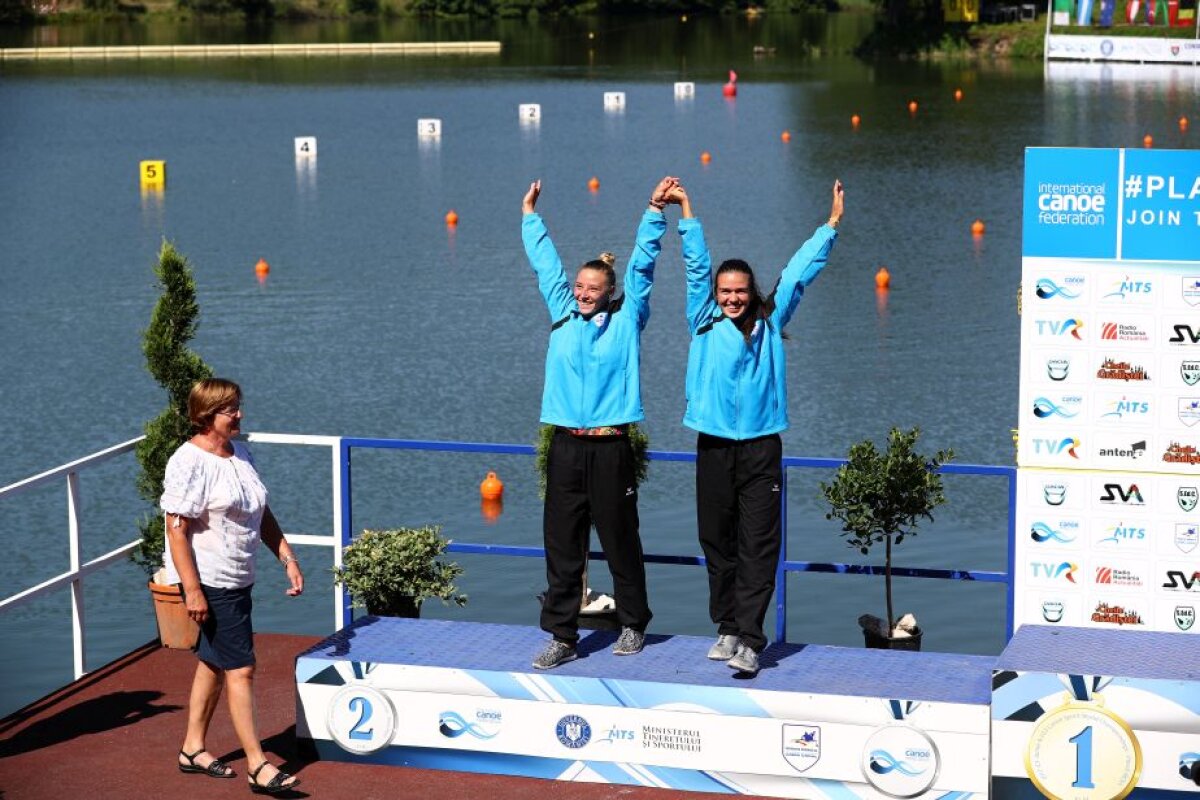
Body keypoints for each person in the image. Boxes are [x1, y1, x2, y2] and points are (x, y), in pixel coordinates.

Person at [670, 179, 844, 675]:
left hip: (761, 448)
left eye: (740, 291)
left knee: (759, 546)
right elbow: (696, 266)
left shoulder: (770, 319)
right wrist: (686, 210)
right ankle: (727, 626)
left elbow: (800, 271)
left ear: (752, 292)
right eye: (725, 291)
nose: (732, 298)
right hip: (713, 446)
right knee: (716, 541)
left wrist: (830, 225)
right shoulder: (703, 320)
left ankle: (750, 639)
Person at [522, 177, 677, 670]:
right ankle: (562, 636)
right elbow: (546, 265)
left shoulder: (628, 319)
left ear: (610, 292)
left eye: (594, 288)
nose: (584, 294)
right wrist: (530, 217)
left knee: (619, 539)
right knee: (562, 545)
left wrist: (654, 212)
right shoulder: (562, 314)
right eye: (580, 287)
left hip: (611, 448)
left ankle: (632, 624)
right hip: (565, 446)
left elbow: (644, 265)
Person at [161, 378, 304, 795]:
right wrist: (192, 590)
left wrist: (287, 557)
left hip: (240, 576)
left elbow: (261, 511)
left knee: (213, 661)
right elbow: (176, 530)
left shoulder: (240, 453)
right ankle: (258, 765)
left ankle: (192, 748)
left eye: (239, 406)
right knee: (240, 668)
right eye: (231, 409)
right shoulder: (188, 462)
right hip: (211, 579)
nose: (239, 414)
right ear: (207, 415)